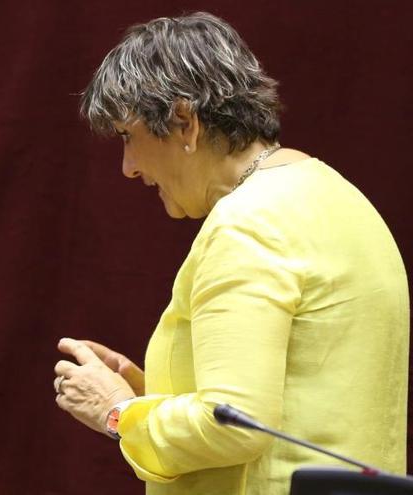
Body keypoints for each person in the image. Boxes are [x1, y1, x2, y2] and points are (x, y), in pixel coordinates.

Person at [53, 12, 409, 495]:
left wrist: (119, 412)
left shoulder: (249, 221)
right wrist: (145, 391)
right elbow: (308, 397)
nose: (128, 168)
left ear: (183, 121)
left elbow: (235, 425)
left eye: (127, 137)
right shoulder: (342, 198)